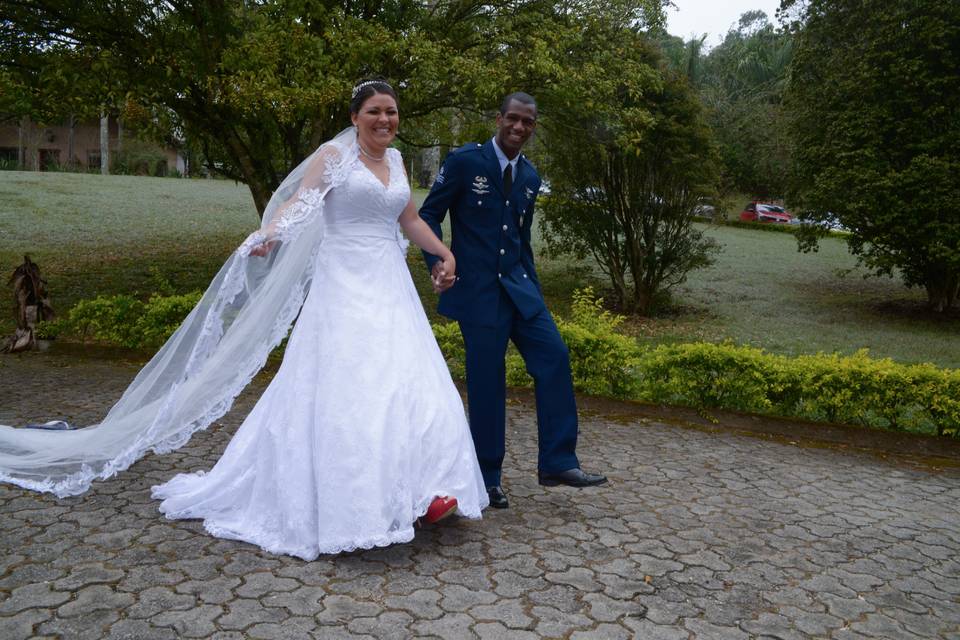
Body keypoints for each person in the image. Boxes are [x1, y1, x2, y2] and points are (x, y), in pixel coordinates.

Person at [0, 80, 488, 560]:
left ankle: (421, 491)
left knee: (406, 379)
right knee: (353, 383)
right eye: (375, 111)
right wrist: (273, 232)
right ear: (355, 118)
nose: (385, 120)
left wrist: (444, 252)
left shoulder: (398, 162)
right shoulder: (334, 158)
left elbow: (409, 220)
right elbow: (303, 201)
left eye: (392, 112)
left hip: (389, 283)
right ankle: (357, 502)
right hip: (344, 285)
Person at [419, 92, 607, 510]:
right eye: (513, 119)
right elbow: (428, 215)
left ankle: (558, 461)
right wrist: (437, 259)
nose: (519, 128)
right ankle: (487, 477)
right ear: (499, 117)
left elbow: (521, 241)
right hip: (478, 293)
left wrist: (535, 294)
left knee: (554, 356)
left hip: (521, 291)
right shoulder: (465, 162)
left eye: (528, 123)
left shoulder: (530, 177)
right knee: (488, 383)